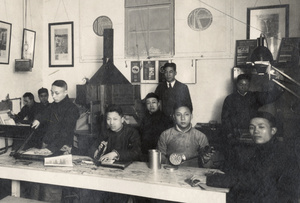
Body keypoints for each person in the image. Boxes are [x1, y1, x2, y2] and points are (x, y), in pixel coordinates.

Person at [205, 111, 299, 203]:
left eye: (261, 127)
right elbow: (241, 173)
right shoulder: (258, 149)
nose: (255, 131)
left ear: (273, 131)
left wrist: (208, 180)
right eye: (251, 127)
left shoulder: (281, 152)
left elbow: (249, 180)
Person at [29, 80, 79, 202]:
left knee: (52, 183)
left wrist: (50, 149)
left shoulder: (72, 109)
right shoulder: (54, 104)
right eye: (52, 93)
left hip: (60, 147)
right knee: (37, 178)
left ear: (66, 92)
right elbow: (45, 112)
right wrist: (38, 119)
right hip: (47, 144)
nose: (53, 96)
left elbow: (65, 133)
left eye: (57, 93)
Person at [79, 104, 141, 202]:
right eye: (108, 119)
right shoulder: (105, 132)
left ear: (122, 119)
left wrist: (115, 154)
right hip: (105, 174)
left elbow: (136, 152)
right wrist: (96, 151)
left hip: (124, 176)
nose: (111, 123)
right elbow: (92, 148)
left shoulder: (132, 132)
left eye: (115, 119)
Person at [221, 73, 284, 144]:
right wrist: (229, 133)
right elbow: (225, 118)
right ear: (237, 85)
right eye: (241, 84)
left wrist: (278, 86)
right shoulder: (230, 99)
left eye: (246, 85)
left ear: (249, 85)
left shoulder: (254, 96)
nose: (243, 87)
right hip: (235, 133)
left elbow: (269, 97)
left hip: (252, 132)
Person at [157, 103, 212, 168]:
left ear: (191, 116)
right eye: (178, 115)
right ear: (174, 117)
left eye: (186, 114)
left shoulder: (200, 136)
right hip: (170, 172)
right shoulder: (165, 135)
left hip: (194, 173)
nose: (183, 118)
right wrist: (172, 162)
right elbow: (159, 158)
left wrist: (206, 159)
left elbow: (208, 166)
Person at [139, 92, 173, 161]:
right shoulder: (144, 119)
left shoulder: (166, 119)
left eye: (153, 102)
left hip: (161, 155)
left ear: (159, 104)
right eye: (148, 103)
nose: (151, 105)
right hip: (145, 154)